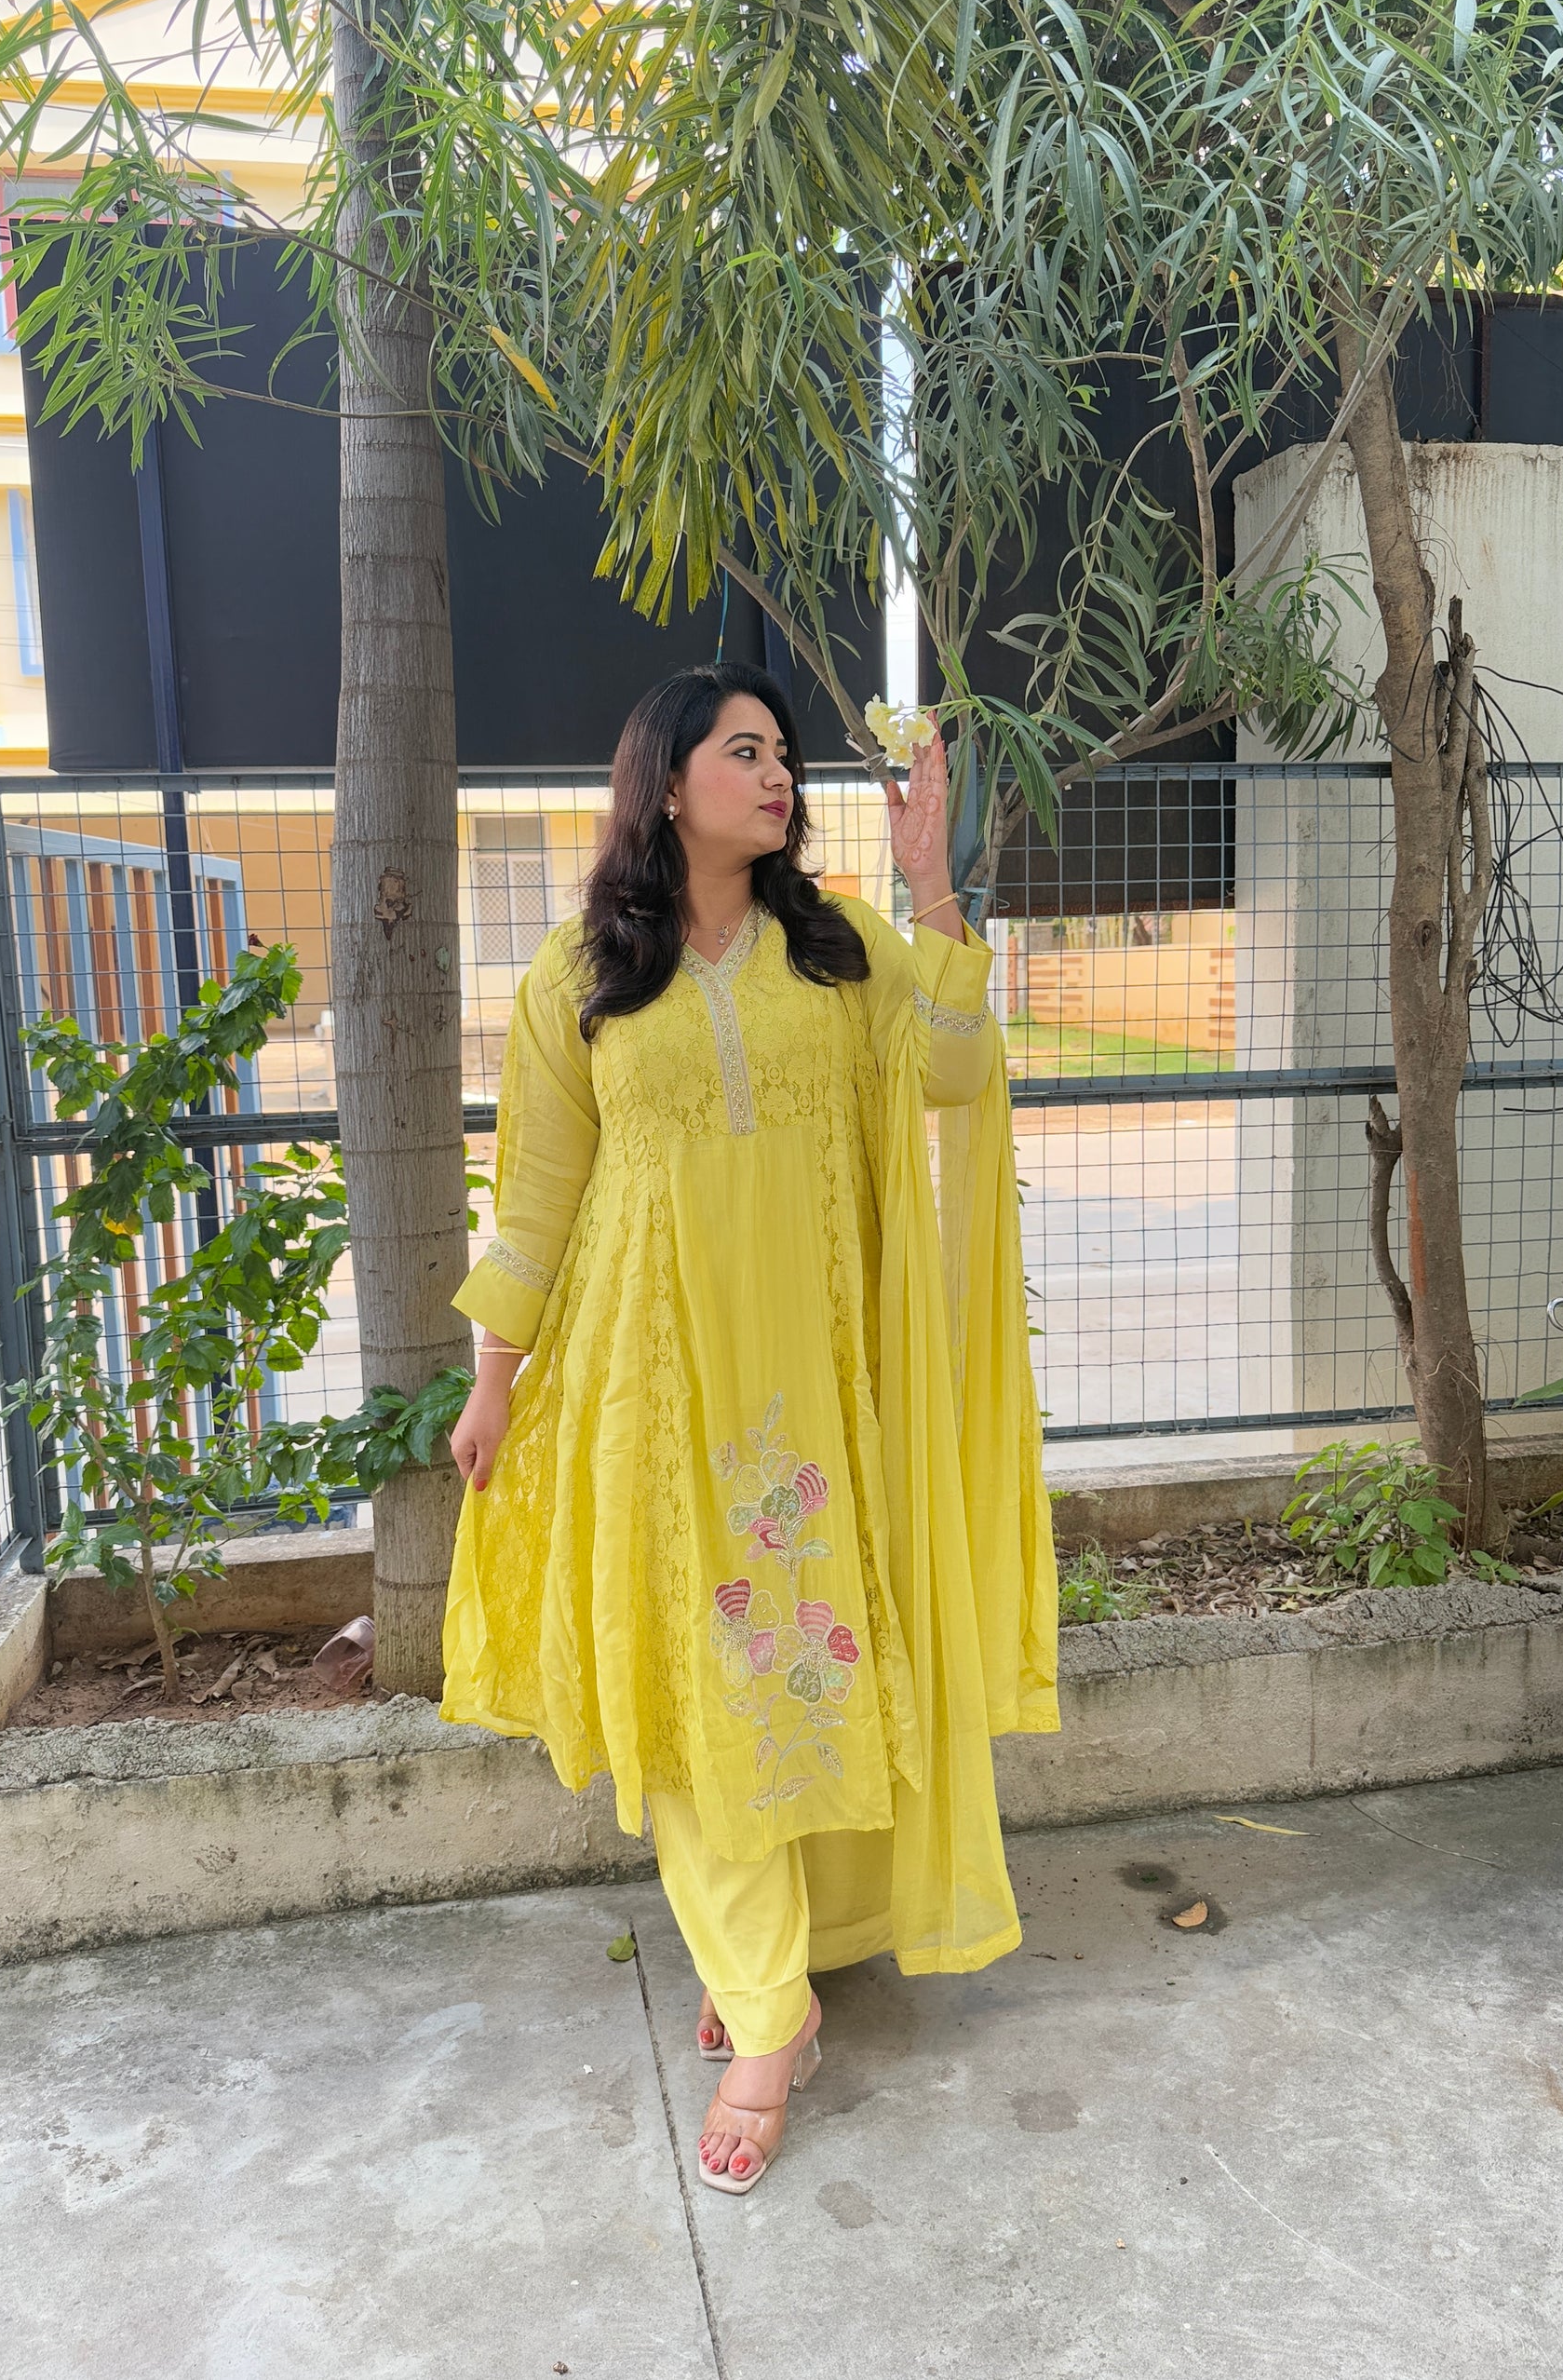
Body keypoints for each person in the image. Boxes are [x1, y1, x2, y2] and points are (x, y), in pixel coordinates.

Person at [443, 662, 1058, 2196]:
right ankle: (769, 2009)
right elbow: (538, 1195)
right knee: (693, 1679)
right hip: (650, 1379)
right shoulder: (580, 970)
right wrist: (495, 1374)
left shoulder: (834, 949)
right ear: (664, 784)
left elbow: (957, 1070)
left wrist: (930, 884)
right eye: (744, 751)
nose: (778, 774)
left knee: (808, 1657)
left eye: (783, 754)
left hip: (816, 1375)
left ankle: (779, 1950)